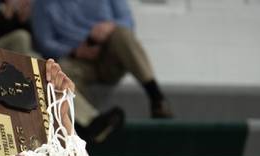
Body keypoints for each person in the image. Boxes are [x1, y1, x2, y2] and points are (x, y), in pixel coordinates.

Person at [0, 0, 125, 142]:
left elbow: (32, 41)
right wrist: (8, 18)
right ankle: (84, 119)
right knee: (24, 44)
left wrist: (21, 18)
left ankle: (84, 118)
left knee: (34, 61)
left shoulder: (2, 5)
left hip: (9, 70)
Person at [31, 0, 173, 119]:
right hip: (76, 61)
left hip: (109, 55)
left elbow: (128, 21)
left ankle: (156, 97)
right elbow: (44, 42)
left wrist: (109, 28)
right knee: (59, 72)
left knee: (122, 34)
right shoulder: (43, 4)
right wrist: (76, 51)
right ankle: (90, 120)